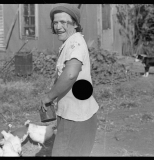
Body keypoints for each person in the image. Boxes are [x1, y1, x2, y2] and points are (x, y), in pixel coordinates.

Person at [39, 4, 99, 156]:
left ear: (75, 24)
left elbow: (71, 73)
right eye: (55, 22)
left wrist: (48, 96)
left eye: (63, 22)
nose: (58, 26)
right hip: (77, 114)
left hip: (75, 118)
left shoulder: (75, 43)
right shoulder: (71, 43)